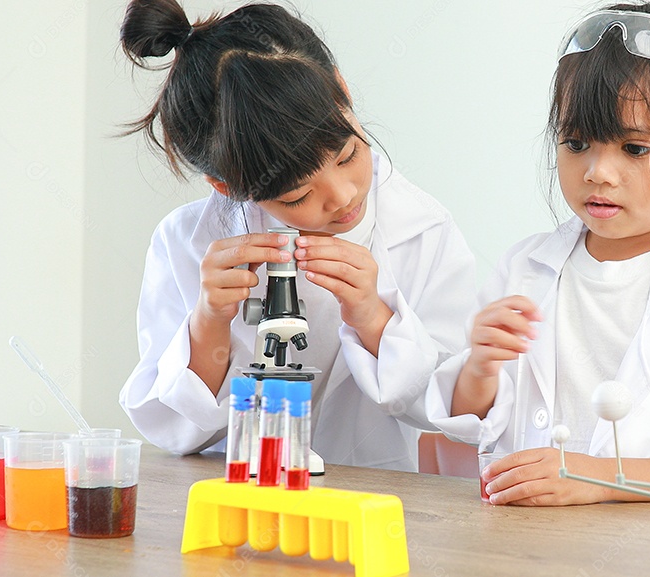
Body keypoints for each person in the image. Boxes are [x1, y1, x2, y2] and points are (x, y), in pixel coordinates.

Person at [427, 0, 650, 504]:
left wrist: (599, 476)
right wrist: (479, 369)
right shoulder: (522, 269)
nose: (598, 171)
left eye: (634, 149)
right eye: (576, 143)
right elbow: (470, 426)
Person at [118, 0, 476, 472]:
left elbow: (449, 405)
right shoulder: (185, 243)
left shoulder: (423, 230)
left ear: (343, 91)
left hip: (370, 500)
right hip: (236, 504)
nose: (343, 197)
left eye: (348, 156)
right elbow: (171, 428)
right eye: (296, 196)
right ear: (227, 187)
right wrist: (209, 322)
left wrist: (373, 317)